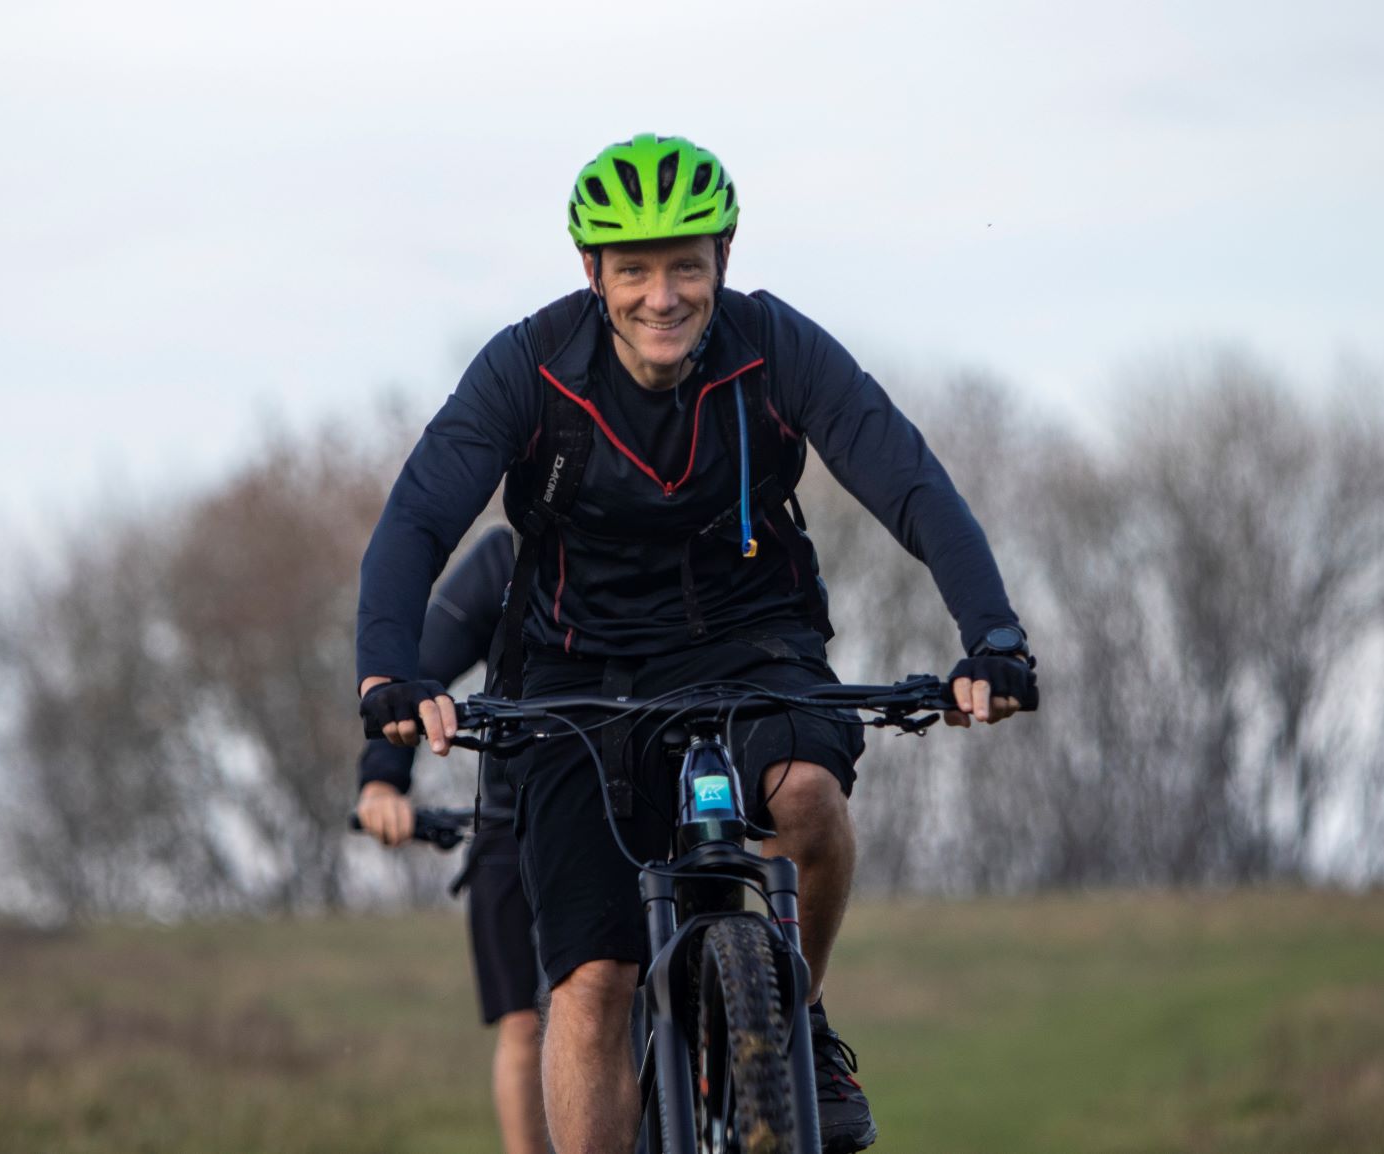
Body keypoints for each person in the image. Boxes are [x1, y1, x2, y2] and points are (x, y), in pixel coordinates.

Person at [356, 133, 1037, 1154]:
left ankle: (795, 1020)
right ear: (593, 271)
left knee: (807, 799)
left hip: (751, 643)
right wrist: (388, 673)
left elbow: (908, 480)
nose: (662, 296)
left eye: (685, 265)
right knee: (593, 978)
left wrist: (991, 635)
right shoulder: (529, 366)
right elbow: (417, 518)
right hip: (574, 669)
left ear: (722, 256)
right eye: (634, 270)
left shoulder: (774, 348)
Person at [352, 526, 548, 1154]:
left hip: (647, 805)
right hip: (513, 818)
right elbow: (414, 673)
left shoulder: (674, 538)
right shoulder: (504, 561)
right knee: (526, 1025)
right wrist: (382, 784)